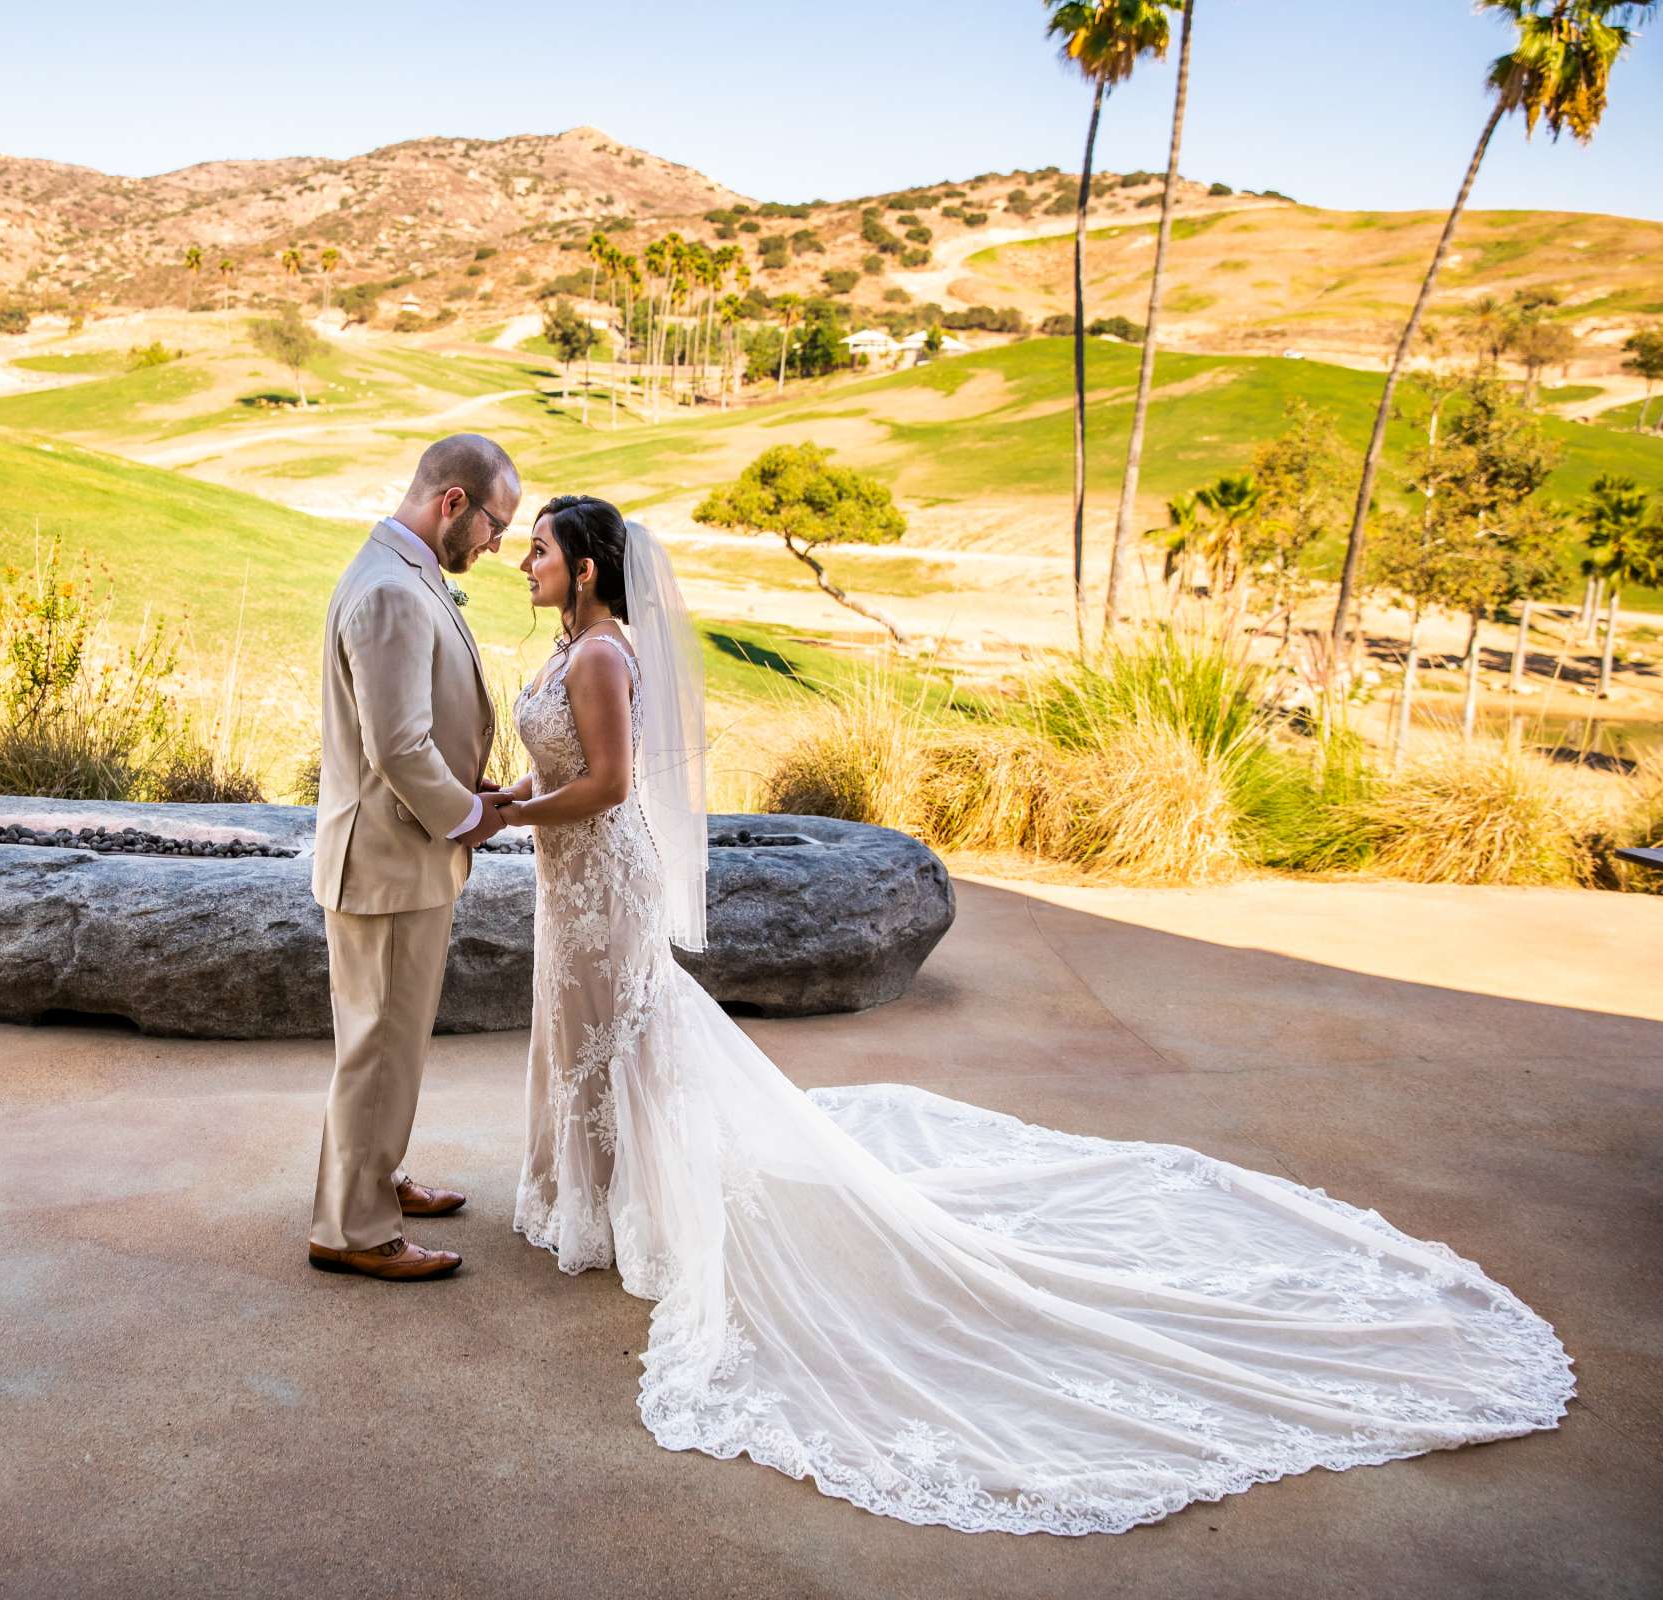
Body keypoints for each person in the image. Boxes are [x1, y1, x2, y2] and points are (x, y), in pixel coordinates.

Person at [477, 492, 1574, 1535]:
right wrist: (516, 805)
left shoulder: (608, 653)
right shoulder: (569, 650)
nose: (525, 564)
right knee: (584, 1034)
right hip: (572, 882)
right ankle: (591, 1193)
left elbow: (614, 784)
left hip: (600, 877)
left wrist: (514, 811)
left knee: (620, 1032)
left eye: (540, 551)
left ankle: (625, 1204)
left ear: (584, 570)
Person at [304, 434, 519, 1281]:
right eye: (496, 525)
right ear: (454, 504)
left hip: (402, 853)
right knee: (377, 1045)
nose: (499, 545)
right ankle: (354, 1230)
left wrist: (471, 782)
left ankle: (376, 1180)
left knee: (392, 1039)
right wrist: (468, 814)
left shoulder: (406, 573)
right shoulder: (391, 591)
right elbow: (397, 747)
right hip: (388, 861)